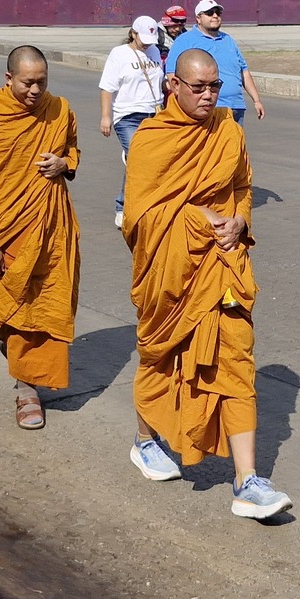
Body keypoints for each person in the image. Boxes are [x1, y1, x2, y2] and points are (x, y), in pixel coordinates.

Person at [121, 49, 289, 520]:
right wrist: (198, 219)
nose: (209, 94)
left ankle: (247, 480)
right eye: (199, 86)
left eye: (215, 86)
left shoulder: (228, 130)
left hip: (222, 265)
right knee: (161, 353)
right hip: (169, 270)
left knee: (236, 360)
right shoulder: (151, 138)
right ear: (173, 84)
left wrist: (238, 220)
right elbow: (140, 217)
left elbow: (242, 187)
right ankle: (144, 439)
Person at [0, 46, 80, 428]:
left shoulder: (59, 109)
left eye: (42, 82)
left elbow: (71, 148)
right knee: (18, 303)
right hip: (8, 229)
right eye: (27, 83)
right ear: (8, 79)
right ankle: (25, 389)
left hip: (52, 223)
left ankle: (29, 373)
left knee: (50, 298)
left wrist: (65, 163)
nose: (35, 90)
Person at [97, 15, 164, 230]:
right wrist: (106, 116)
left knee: (148, 161)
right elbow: (107, 87)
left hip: (154, 114)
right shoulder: (119, 54)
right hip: (127, 116)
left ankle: (149, 204)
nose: (146, 44)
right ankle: (123, 206)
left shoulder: (154, 51)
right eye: (142, 38)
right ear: (133, 34)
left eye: (149, 39)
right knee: (140, 158)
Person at [164, 0, 264, 123]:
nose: (215, 16)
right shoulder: (185, 41)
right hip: (207, 108)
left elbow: (244, 72)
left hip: (236, 107)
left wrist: (256, 100)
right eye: (210, 13)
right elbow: (172, 73)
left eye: (218, 13)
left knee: (236, 143)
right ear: (198, 18)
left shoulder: (228, 40)